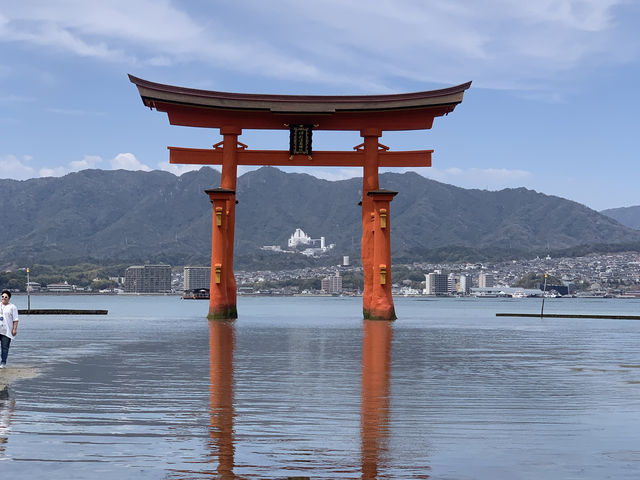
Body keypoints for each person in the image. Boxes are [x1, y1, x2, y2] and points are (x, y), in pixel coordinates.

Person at [0, 291, 19, 368]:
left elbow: (15, 319)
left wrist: (14, 329)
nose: (3, 298)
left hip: (6, 331)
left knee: (5, 347)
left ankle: (3, 362)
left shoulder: (12, 307)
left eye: (5, 297)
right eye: (2, 296)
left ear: (9, 298)